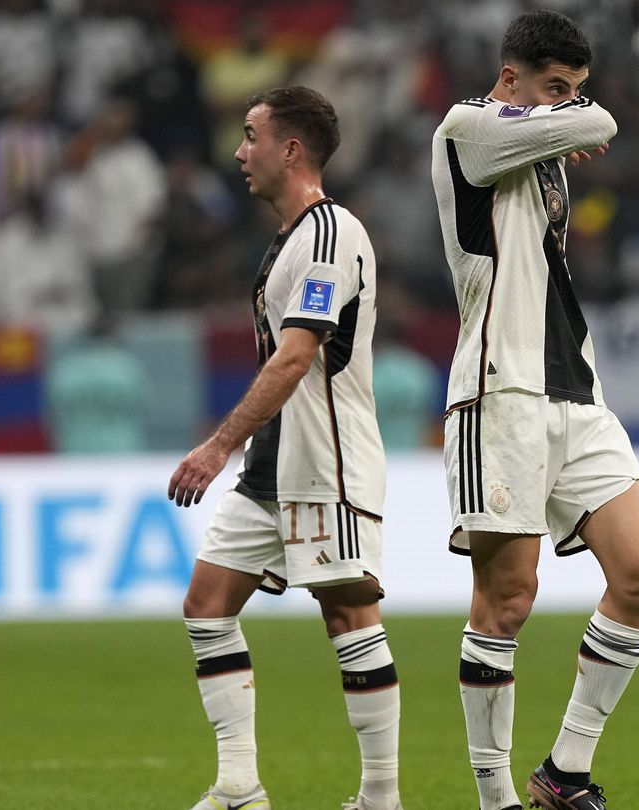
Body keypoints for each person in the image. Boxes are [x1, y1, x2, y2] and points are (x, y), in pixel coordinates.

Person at [430, 12, 639, 810]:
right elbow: (601, 121)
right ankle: (495, 796)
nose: (571, 103)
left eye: (574, 88)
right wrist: (571, 117)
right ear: (510, 80)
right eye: (554, 86)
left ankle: (563, 773)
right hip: (502, 391)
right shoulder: (467, 127)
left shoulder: (542, 151)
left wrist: (556, 119)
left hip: (578, 391)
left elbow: (589, 122)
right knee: (508, 600)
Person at [168, 86, 400, 810]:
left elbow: (297, 354)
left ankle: (380, 797)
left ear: (290, 149)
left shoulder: (331, 234)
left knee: (349, 613)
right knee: (207, 605)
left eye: (250, 136)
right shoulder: (292, 237)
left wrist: (215, 447)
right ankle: (240, 785)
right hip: (274, 461)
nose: (240, 152)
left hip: (325, 457)